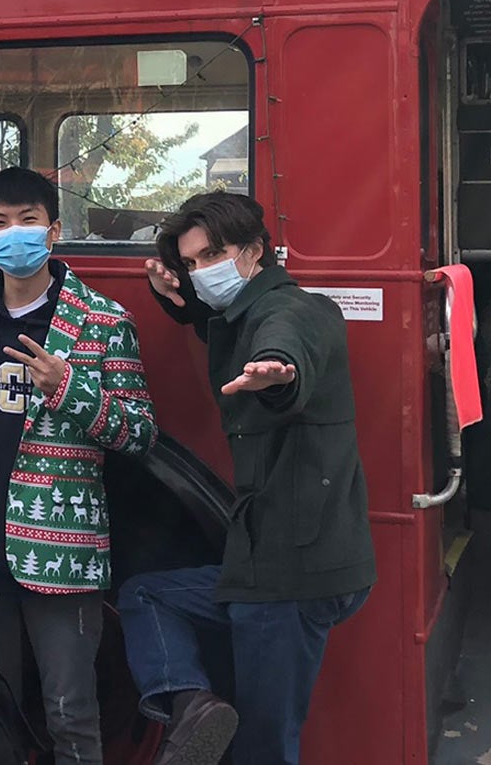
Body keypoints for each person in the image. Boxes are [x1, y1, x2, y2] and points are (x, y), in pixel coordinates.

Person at [0, 167, 158, 765]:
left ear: (52, 232)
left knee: (71, 714)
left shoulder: (103, 320)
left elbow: (141, 435)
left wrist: (69, 387)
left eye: (28, 221)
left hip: (61, 551)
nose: (14, 233)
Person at [118, 191, 374, 765]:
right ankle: (190, 706)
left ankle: (192, 707)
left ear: (255, 250)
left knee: (262, 745)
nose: (201, 271)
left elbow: (285, 347)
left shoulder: (295, 312)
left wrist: (276, 373)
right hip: (265, 559)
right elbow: (223, 323)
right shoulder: (245, 310)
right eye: (190, 262)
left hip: (292, 571)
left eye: (213, 254)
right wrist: (182, 302)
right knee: (146, 594)